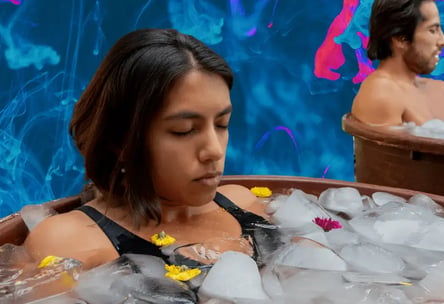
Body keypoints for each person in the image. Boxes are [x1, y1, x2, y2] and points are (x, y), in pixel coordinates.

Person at [24, 28, 270, 270]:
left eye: (221, 124)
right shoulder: (69, 244)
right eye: (183, 130)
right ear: (119, 140)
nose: (214, 150)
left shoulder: (244, 204)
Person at [351, 0, 444, 126]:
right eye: (432, 30)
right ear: (401, 38)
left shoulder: (442, 91)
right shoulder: (380, 94)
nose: (443, 41)